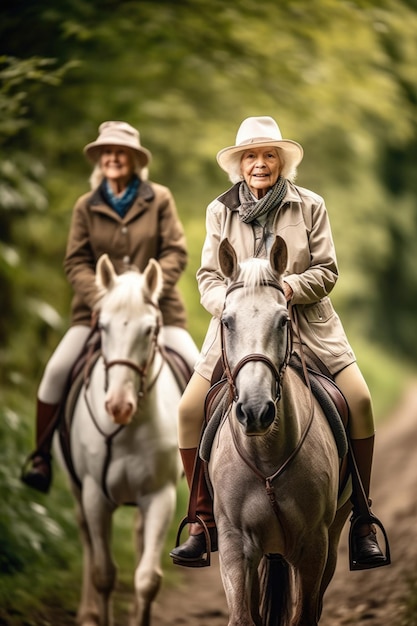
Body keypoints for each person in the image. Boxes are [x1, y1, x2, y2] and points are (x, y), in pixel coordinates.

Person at [170, 115, 387, 569]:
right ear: (239, 164)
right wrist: (232, 302)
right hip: (236, 327)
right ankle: (201, 518)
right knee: (189, 409)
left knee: (361, 400)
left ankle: (363, 519)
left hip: (305, 323)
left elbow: (327, 270)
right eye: (251, 156)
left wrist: (288, 290)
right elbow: (208, 276)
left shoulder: (310, 205)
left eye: (269, 155)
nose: (260, 164)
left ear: (281, 161)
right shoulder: (218, 211)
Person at [21, 120, 199, 494]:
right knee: (55, 372)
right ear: (100, 160)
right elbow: (76, 261)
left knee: (201, 376)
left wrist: (146, 293)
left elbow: (175, 252)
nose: (113, 158)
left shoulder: (160, 199)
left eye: (121, 153)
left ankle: (208, 474)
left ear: (135, 160)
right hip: (96, 312)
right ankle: (41, 458)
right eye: (107, 153)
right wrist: (104, 299)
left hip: (157, 310)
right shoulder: (86, 206)